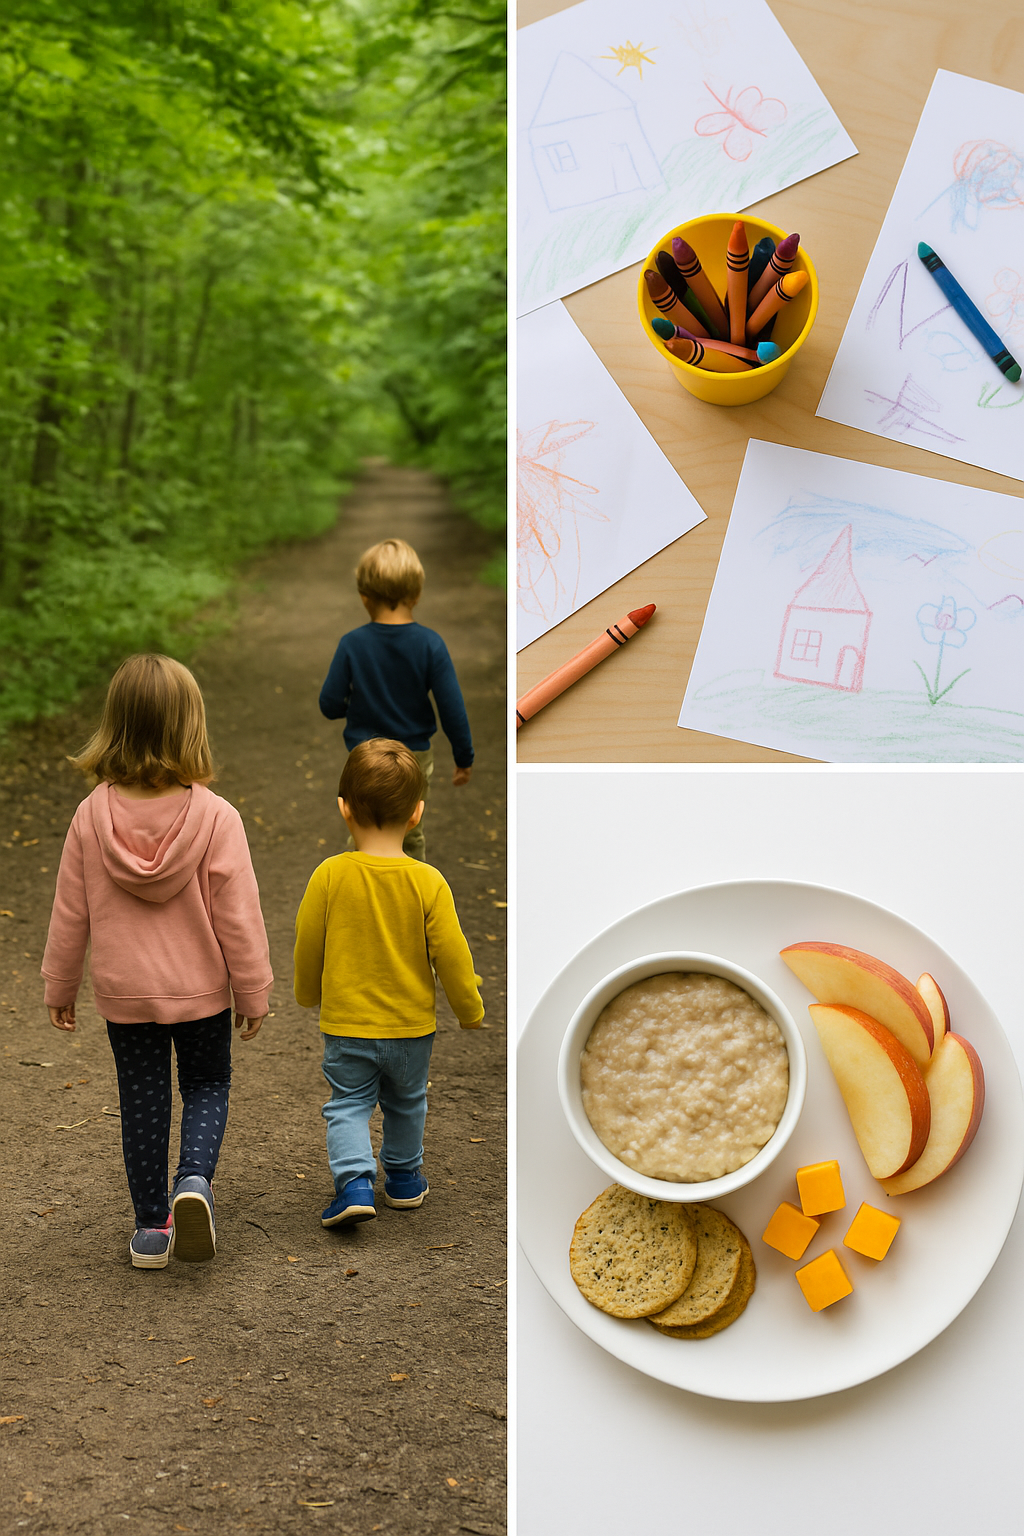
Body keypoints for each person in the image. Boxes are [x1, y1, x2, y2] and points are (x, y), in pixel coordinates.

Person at [41, 654, 273, 1270]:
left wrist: (59, 983)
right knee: (206, 1084)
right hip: (201, 991)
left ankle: (150, 1229)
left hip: (127, 994)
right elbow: (239, 918)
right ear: (189, 725)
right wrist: (252, 991)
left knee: (142, 1099)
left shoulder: (91, 816)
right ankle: (194, 1181)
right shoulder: (217, 817)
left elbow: (70, 911)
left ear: (114, 725)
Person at [293, 738, 483, 1227]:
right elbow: (453, 955)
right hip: (411, 1028)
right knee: (407, 1100)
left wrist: (308, 993)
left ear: (344, 808)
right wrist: (469, 1009)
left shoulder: (329, 875)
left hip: (349, 1023)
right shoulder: (428, 881)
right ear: (417, 813)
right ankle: (403, 1179)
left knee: (349, 1103)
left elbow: (308, 942)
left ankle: (355, 1182)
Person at [318, 537, 473, 861]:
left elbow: (329, 703)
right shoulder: (430, 644)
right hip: (413, 758)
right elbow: (451, 707)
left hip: (364, 757)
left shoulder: (352, 644)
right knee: (408, 831)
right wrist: (464, 757)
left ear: (364, 597)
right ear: (416, 595)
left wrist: (356, 709)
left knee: (362, 828)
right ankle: (412, 896)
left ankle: (358, 888)